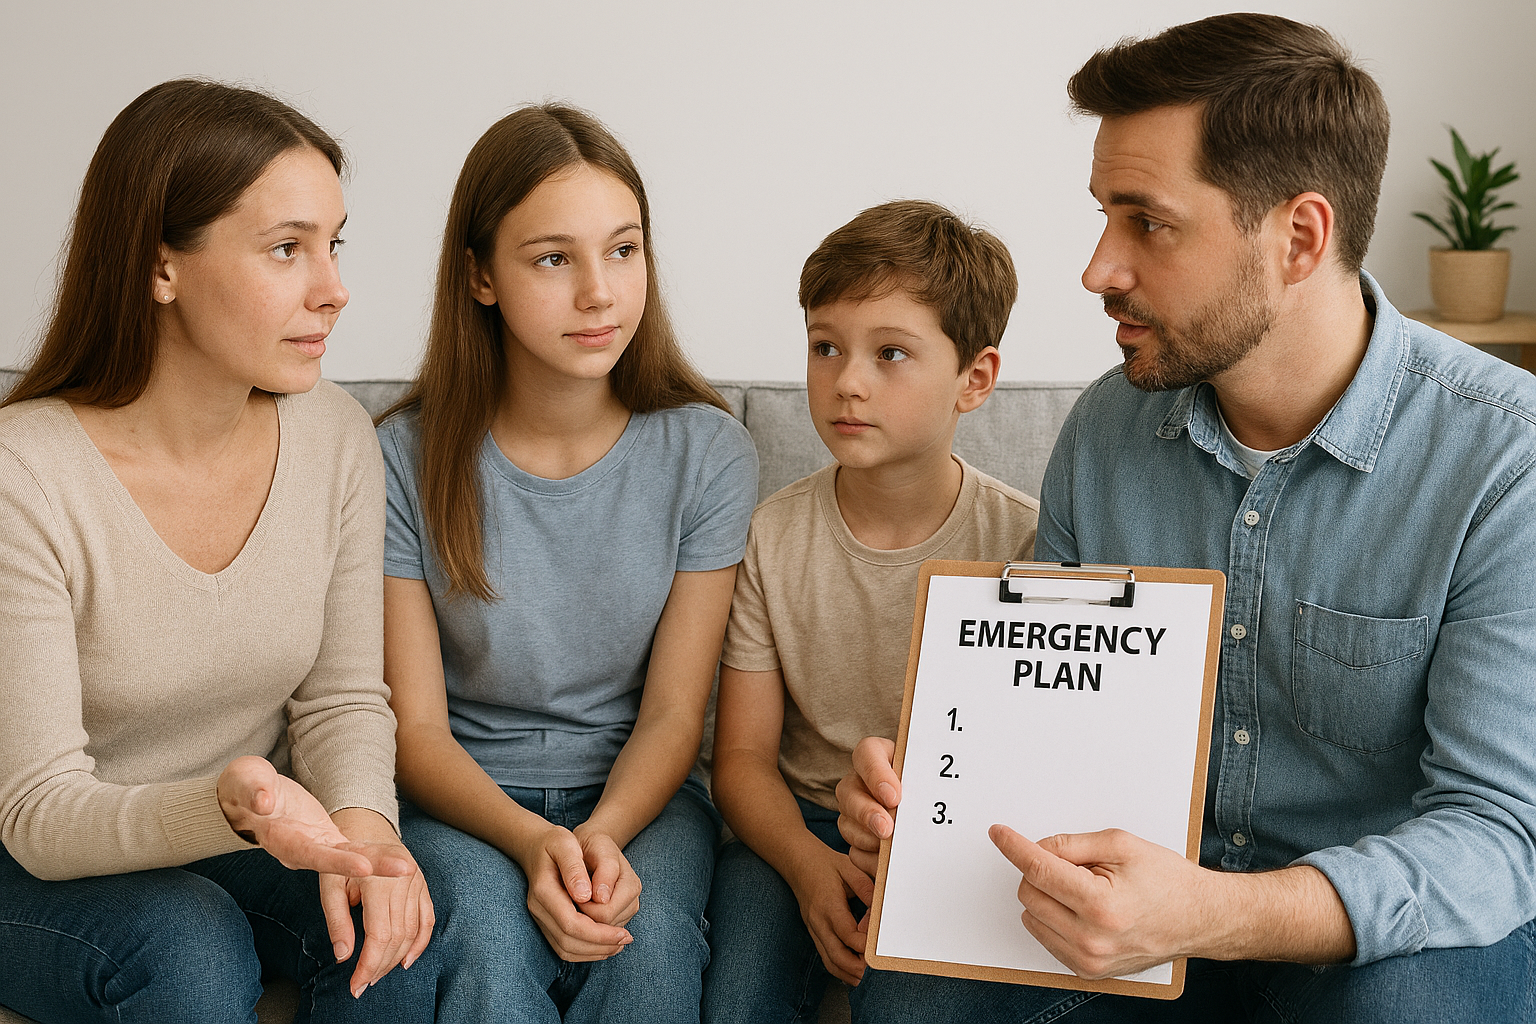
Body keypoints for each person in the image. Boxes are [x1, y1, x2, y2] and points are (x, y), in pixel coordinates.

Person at [836, 13, 1536, 1022]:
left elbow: (1496, 836)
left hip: (1377, 934)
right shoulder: (1107, 429)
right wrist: (933, 789)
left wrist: (1216, 913)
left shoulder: (1501, 458)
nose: (1096, 268)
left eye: (1147, 223)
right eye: (1102, 216)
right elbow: (1043, 717)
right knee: (911, 991)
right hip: (1135, 913)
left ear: (1299, 237)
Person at [0, 80, 437, 1023]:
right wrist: (230, 805)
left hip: (247, 831)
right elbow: (38, 813)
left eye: (334, 243)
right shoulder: (23, 474)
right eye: (287, 248)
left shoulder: (335, 437)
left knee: (402, 924)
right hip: (42, 857)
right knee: (188, 945)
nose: (334, 287)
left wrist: (366, 847)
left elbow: (343, 700)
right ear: (163, 267)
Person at [377, 103, 758, 1023]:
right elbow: (417, 735)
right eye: (555, 258)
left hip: (641, 795)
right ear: (480, 276)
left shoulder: (709, 453)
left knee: (647, 938)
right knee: (487, 939)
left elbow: (675, 715)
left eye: (623, 251)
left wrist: (596, 837)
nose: (600, 292)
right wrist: (530, 839)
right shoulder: (399, 455)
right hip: (466, 798)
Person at [701, 200, 1039, 1023]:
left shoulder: (1024, 544)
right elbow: (741, 760)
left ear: (976, 380)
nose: (847, 380)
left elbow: (1020, 766)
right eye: (826, 347)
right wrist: (811, 871)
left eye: (890, 353)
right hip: (794, 829)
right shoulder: (770, 536)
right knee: (737, 1002)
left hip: (947, 838)